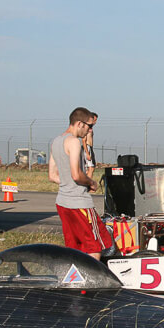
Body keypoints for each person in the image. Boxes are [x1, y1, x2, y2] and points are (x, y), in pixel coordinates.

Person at [49, 107, 112, 260]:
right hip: (79, 203)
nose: (90, 130)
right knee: (94, 246)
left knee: (73, 248)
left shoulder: (56, 141)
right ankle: (92, 281)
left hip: (62, 203)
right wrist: (91, 182)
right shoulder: (74, 142)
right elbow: (76, 174)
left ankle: (75, 279)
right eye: (89, 126)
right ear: (79, 124)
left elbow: (52, 176)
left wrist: (68, 183)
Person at [82, 112, 98, 184]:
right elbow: (83, 140)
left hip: (90, 148)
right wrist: (87, 153)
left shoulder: (90, 128)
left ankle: (86, 184)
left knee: (89, 168)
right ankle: (87, 185)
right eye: (94, 119)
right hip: (87, 148)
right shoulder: (87, 128)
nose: (95, 122)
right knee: (91, 168)